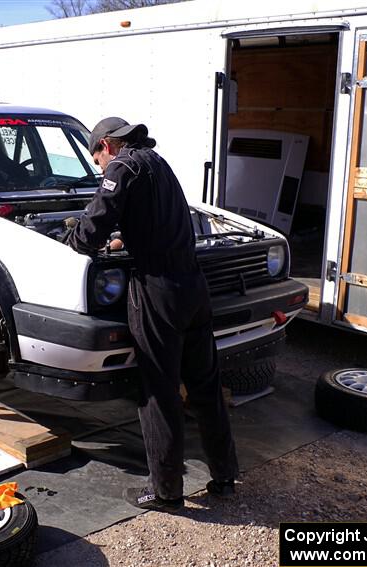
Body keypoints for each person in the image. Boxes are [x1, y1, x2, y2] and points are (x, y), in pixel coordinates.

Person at [66, 117, 239, 513]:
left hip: (158, 290)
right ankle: (224, 477)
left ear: (107, 146)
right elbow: (158, 220)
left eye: (96, 159)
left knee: (158, 391)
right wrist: (126, 235)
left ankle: (166, 492)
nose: (99, 168)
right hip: (194, 285)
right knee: (205, 385)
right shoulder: (157, 162)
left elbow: (91, 227)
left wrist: (74, 237)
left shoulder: (121, 167)